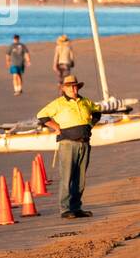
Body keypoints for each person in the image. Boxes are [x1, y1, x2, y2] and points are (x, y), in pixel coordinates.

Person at [37, 74, 101, 218]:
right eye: (70, 86)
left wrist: (91, 124)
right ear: (64, 89)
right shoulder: (58, 103)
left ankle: (76, 207)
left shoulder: (85, 101)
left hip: (84, 143)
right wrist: (55, 127)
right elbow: (41, 115)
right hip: (67, 144)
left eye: (75, 86)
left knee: (81, 178)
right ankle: (65, 209)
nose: (73, 89)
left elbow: (97, 111)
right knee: (67, 177)